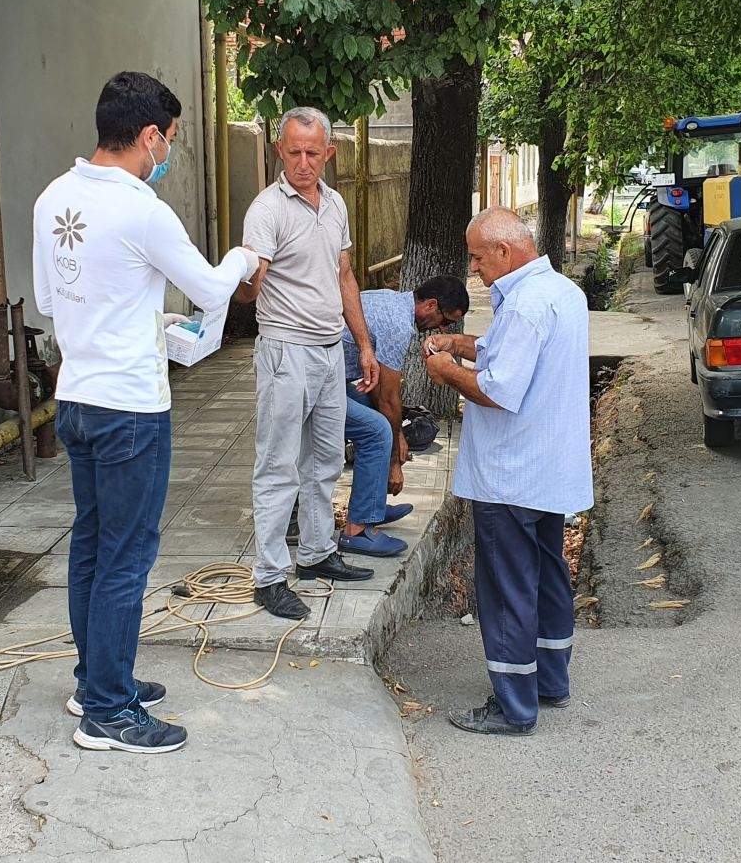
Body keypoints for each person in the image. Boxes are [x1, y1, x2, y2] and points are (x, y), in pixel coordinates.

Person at [33, 71, 259, 754]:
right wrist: (245, 255)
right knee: (127, 558)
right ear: (150, 135)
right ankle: (108, 711)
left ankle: (96, 679)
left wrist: (142, 320)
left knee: (93, 546)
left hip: (75, 399)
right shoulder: (141, 208)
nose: (169, 154)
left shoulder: (53, 199)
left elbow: (55, 301)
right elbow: (211, 288)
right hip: (129, 409)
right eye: (171, 141)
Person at [423, 207, 592, 735]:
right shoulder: (560, 292)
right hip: (548, 469)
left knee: (506, 584)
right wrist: (461, 344)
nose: (474, 270)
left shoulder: (523, 305)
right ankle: (549, 680)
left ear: (503, 250)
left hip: (510, 472)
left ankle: (514, 706)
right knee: (545, 573)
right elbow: (513, 356)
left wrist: (447, 370)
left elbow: (498, 388)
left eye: (477, 258)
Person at [236, 107, 380, 620]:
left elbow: (344, 276)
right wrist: (243, 278)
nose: (302, 163)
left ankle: (317, 554)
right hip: (284, 351)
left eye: (312, 153)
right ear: (279, 151)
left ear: (329, 153)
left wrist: (363, 344)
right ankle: (269, 577)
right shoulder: (266, 210)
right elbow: (251, 289)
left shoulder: (335, 204)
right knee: (278, 466)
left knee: (323, 463)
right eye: (293, 152)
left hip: (327, 349)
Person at [290, 276, 470, 557]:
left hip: (322, 376)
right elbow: (388, 397)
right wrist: (395, 459)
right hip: (308, 382)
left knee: (381, 419)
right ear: (431, 305)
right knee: (378, 429)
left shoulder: (391, 301)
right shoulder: (398, 325)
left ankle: (370, 503)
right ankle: (357, 532)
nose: (444, 328)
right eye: (445, 320)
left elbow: (380, 393)